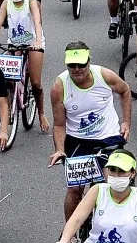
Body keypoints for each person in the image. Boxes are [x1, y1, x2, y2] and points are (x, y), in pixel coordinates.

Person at [48, 44, 132, 219]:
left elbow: (124, 91)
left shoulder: (104, 76)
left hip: (108, 138)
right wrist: (60, 150)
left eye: (81, 65)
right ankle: (70, 235)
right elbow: (59, 125)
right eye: (72, 66)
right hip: (78, 141)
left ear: (89, 62)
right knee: (75, 188)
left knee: (113, 184)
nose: (77, 70)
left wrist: (126, 122)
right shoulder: (59, 87)